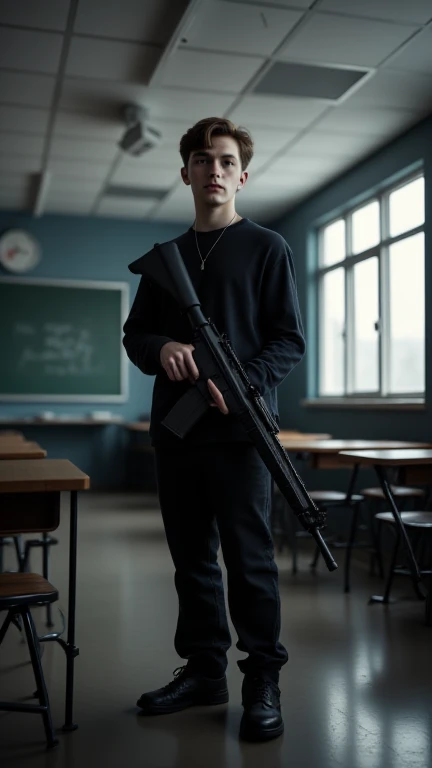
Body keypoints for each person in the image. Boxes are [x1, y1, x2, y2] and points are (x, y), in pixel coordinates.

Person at [123, 117, 305, 742]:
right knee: (191, 559)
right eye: (203, 160)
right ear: (186, 174)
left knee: (250, 561)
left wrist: (242, 382)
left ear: (242, 175)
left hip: (240, 434)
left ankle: (262, 679)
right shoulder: (163, 260)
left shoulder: (267, 247)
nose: (215, 170)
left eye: (226, 161)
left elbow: (289, 340)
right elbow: (134, 336)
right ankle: (204, 670)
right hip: (177, 433)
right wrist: (165, 346)